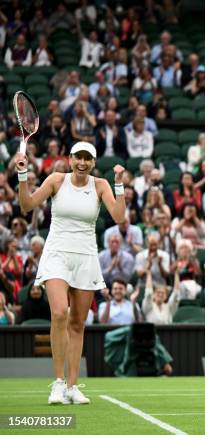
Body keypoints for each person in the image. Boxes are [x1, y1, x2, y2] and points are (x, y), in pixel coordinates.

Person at [16, 141, 126, 404]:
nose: (82, 163)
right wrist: (22, 176)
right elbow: (27, 205)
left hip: (86, 257)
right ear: (70, 158)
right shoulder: (56, 179)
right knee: (59, 313)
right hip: (57, 255)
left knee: (78, 323)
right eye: (78, 157)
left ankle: (73, 386)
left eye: (88, 159)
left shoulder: (100, 185)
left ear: (93, 162)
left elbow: (119, 217)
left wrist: (119, 183)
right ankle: (58, 383)